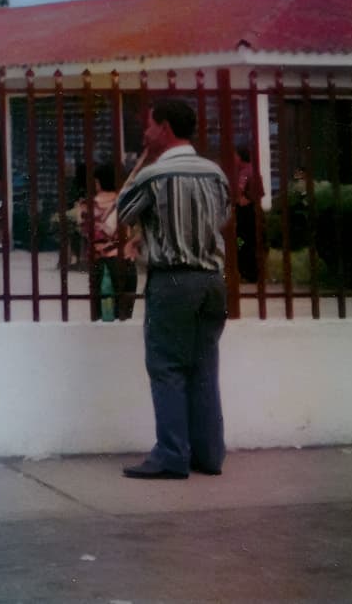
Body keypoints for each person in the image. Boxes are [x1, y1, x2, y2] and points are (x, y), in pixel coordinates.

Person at [115, 98, 230, 480]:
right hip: (212, 280)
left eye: (149, 126)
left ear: (164, 129)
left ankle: (171, 455)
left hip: (173, 280)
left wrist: (142, 162)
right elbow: (224, 217)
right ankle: (209, 455)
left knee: (166, 366)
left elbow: (119, 215)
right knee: (203, 367)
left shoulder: (153, 175)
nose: (145, 133)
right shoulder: (216, 173)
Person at [80, 160, 138, 321]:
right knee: (124, 315)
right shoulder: (125, 203)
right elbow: (136, 227)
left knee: (99, 315)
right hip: (124, 260)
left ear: (97, 181)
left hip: (99, 262)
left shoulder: (87, 205)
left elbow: (85, 232)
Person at [233, 144, 265, 284]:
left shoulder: (244, 173)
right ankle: (252, 273)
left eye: (235, 156)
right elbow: (260, 193)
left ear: (240, 157)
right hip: (254, 212)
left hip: (245, 214)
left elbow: (238, 192)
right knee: (250, 242)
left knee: (240, 241)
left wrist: (240, 199)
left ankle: (246, 273)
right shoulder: (254, 170)